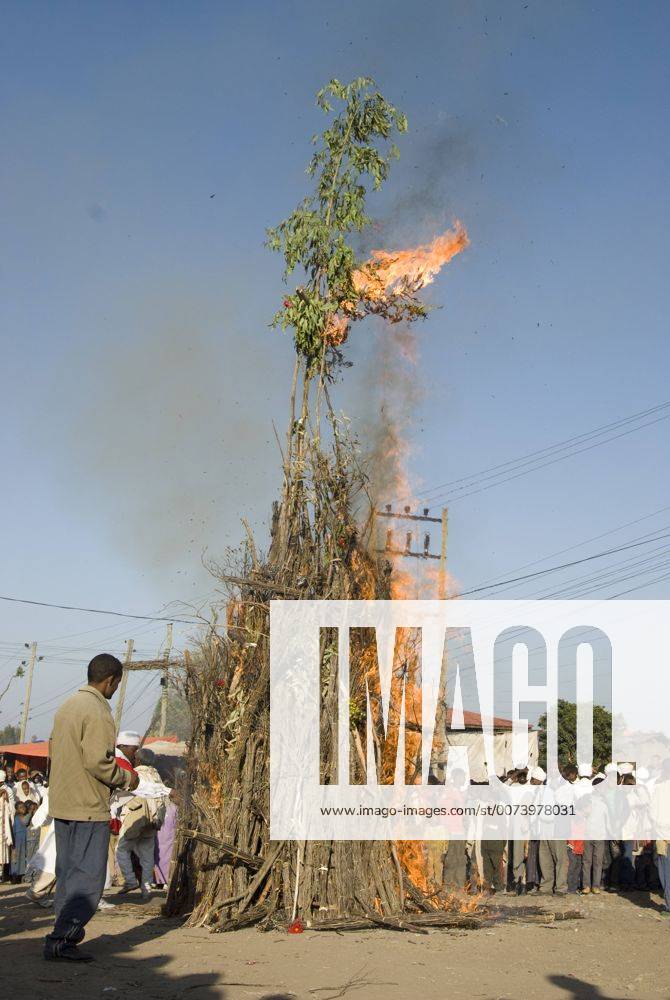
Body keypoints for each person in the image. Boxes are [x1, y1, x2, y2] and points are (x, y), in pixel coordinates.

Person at [44, 653, 139, 962]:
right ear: (110, 680)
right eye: (116, 684)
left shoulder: (67, 706)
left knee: (68, 875)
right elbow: (98, 761)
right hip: (87, 805)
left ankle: (59, 937)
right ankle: (64, 938)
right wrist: (128, 779)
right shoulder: (97, 710)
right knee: (88, 879)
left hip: (63, 803)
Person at [0, 770, 15, 882]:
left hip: (3, 826)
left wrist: (7, 799)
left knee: (2, 849)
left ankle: (1, 874)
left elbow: (12, 807)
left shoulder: (8, 790)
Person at [11, 801, 30, 882]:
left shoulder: (24, 816)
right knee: (16, 858)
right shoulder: (18, 817)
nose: (23, 808)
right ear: (17, 810)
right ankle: (15, 876)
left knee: (23, 857)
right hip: (18, 841)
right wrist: (30, 813)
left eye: (24, 807)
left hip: (24, 839)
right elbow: (24, 822)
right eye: (20, 807)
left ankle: (22, 876)